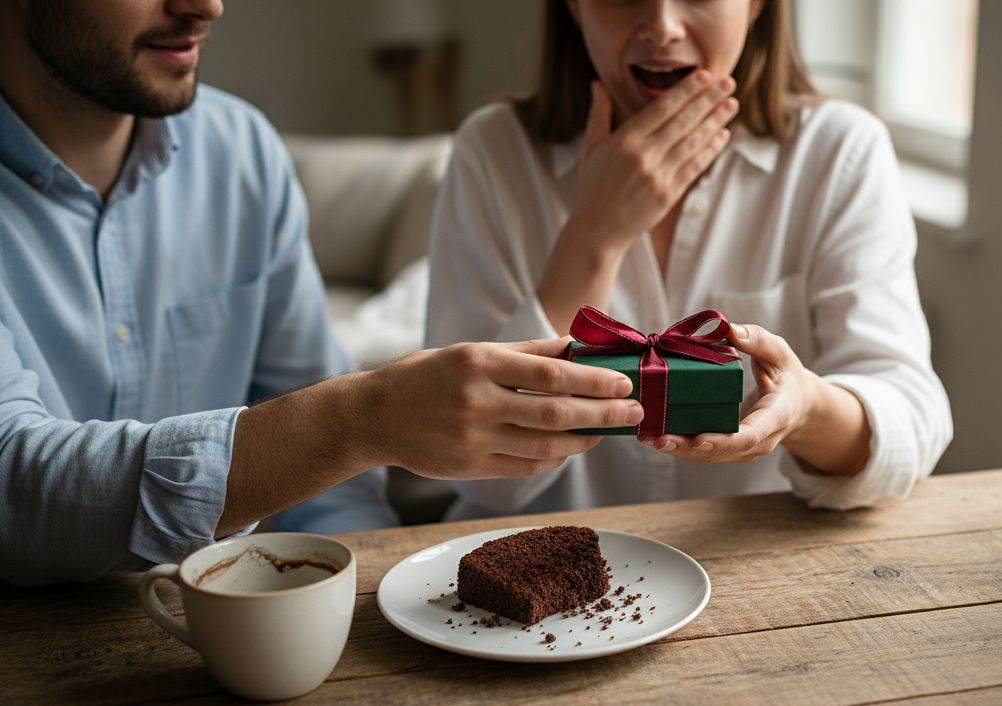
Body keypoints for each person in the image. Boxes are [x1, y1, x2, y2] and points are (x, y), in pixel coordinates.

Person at [0, 0, 644, 587]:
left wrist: (382, 603)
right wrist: (356, 419)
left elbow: (329, 493)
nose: (207, 6)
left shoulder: (241, 153)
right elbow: (13, 485)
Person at [426, 0, 953, 519]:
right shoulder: (493, 152)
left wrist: (805, 409)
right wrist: (595, 234)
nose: (662, 27)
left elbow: (910, 427)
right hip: (545, 568)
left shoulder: (840, 152)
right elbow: (470, 466)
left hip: (757, 570)